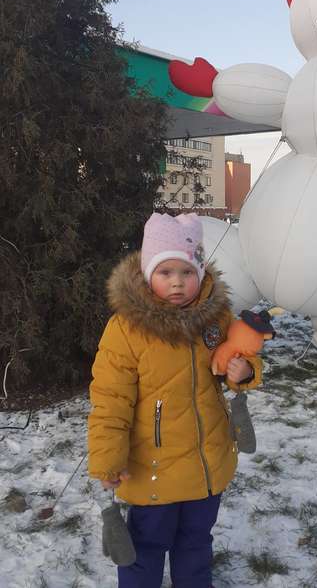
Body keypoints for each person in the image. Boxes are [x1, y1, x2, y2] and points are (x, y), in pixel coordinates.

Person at [87, 212, 262, 588]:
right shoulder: (127, 330)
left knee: (196, 543)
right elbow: (110, 399)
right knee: (146, 548)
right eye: (166, 273)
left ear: (200, 272)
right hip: (153, 468)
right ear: (148, 275)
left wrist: (244, 372)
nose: (178, 283)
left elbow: (238, 355)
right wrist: (107, 458)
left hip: (207, 463)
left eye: (186, 272)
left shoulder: (215, 319)